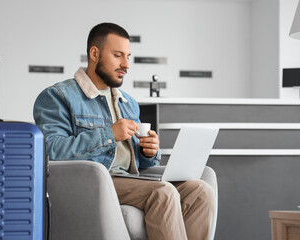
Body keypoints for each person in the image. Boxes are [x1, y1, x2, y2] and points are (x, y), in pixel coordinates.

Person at [33, 22, 215, 240]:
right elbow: (51, 151)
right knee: (163, 192)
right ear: (94, 53)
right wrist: (109, 134)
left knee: (200, 191)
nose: (126, 64)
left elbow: (141, 163)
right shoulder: (58, 96)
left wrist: (149, 152)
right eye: (118, 55)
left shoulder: (127, 102)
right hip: (95, 183)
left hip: (128, 179)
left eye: (128, 56)